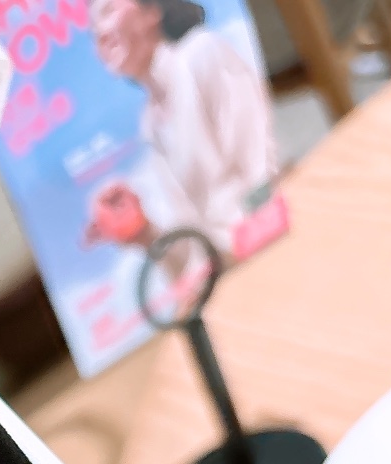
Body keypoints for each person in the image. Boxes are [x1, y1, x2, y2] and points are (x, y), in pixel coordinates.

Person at [84, 0, 277, 269]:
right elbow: (194, 243)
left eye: (107, 12)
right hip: (236, 265)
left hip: (273, 248)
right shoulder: (150, 123)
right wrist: (141, 232)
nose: (101, 35)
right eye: (93, 31)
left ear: (152, 11)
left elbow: (262, 170)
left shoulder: (202, 52)